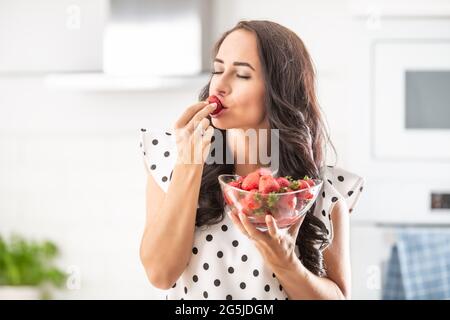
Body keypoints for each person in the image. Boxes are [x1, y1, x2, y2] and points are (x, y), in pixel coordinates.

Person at [139, 20, 364, 300]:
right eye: (218, 70)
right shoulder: (169, 159)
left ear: (278, 92)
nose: (219, 85)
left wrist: (287, 264)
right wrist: (188, 164)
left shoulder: (323, 192)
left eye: (242, 75)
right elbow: (160, 274)